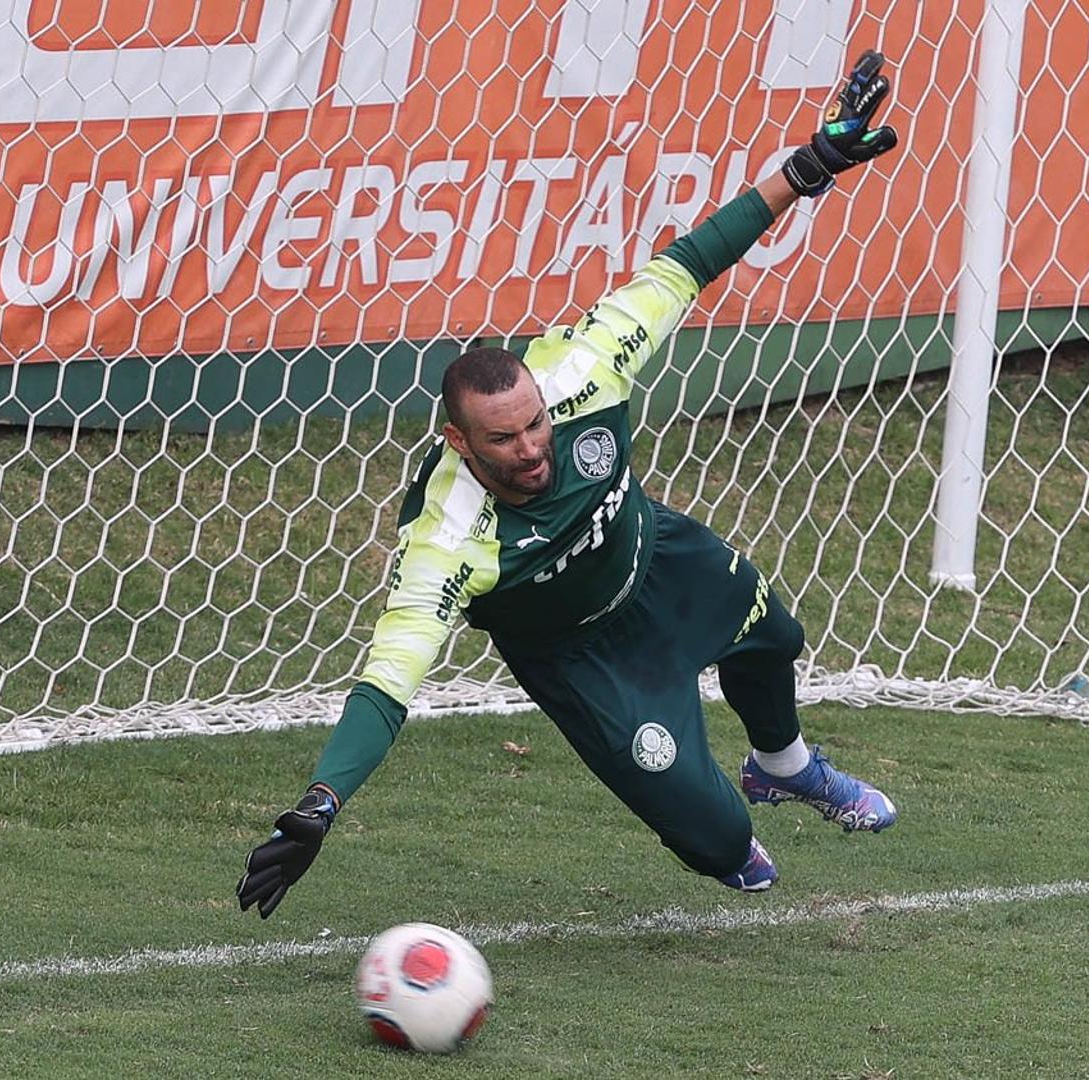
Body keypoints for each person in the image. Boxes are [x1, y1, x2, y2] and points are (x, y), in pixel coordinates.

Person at [237, 51, 904, 918]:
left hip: (655, 556)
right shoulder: (446, 538)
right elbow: (388, 681)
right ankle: (728, 815)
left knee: (775, 634)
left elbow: (688, 264)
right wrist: (321, 806)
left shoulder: (586, 367)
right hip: (580, 657)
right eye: (504, 440)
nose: (531, 449)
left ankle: (785, 766)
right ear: (459, 441)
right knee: (723, 850)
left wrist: (809, 167)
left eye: (535, 425)